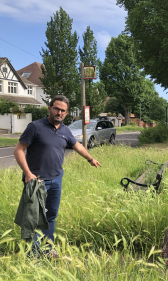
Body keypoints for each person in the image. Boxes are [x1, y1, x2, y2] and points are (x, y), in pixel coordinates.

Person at [13, 95, 102, 257]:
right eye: (56, 108)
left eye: (63, 110)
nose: (59, 112)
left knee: (50, 216)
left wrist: (90, 159)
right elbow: (18, 150)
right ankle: (33, 256)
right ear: (49, 109)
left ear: (67, 113)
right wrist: (28, 174)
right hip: (36, 181)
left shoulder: (65, 130)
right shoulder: (35, 127)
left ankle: (47, 250)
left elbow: (77, 146)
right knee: (33, 219)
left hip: (56, 180)